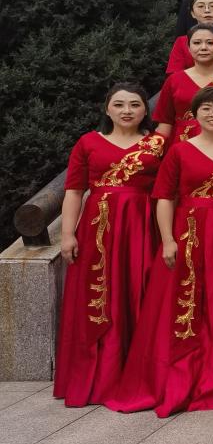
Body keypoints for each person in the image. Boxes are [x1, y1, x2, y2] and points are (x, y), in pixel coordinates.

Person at [106, 87, 213, 417]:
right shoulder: (180, 151)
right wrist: (168, 239)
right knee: (180, 301)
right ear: (194, 114)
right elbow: (164, 198)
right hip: (187, 230)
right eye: (206, 108)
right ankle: (178, 370)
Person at [54, 84, 165, 407]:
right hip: (98, 227)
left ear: (146, 110)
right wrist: (67, 234)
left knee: (140, 290)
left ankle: (138, 372)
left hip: (143, 225)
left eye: (134, 104)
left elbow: (169, 191)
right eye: (119, 104)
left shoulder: (159, 143)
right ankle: (97, 375)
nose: (127, 111)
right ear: (107, 109)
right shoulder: (88, 143)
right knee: (99, 295)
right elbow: (74, 191)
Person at [154, 24, 213, 144]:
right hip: (182, 143)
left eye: (210, 43)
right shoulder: (174, 80)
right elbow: (165, 123)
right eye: (197, 43)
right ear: (189, 48)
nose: (203, 47)